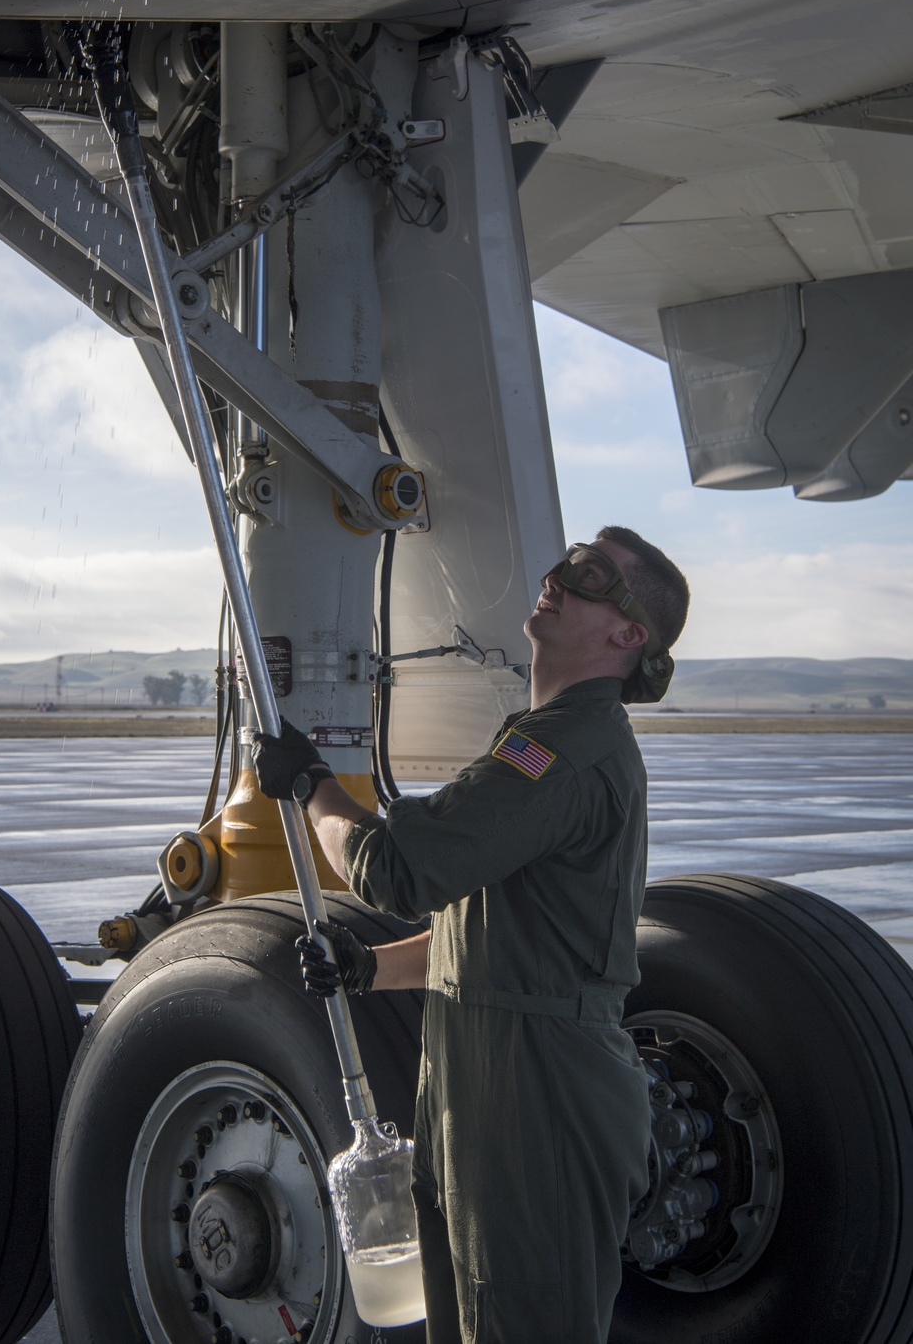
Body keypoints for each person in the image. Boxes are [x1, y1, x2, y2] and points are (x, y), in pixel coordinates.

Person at [251, 526, 691, 1344]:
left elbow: (395, 871)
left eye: (591, 576)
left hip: (541, 1096)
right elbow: (502, 942)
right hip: (484, 1079)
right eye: (566, 561)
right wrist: (366, 967)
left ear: (629, 634)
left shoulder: (561, 750)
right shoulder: (543, 739)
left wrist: (313, 787)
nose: (559, 577)